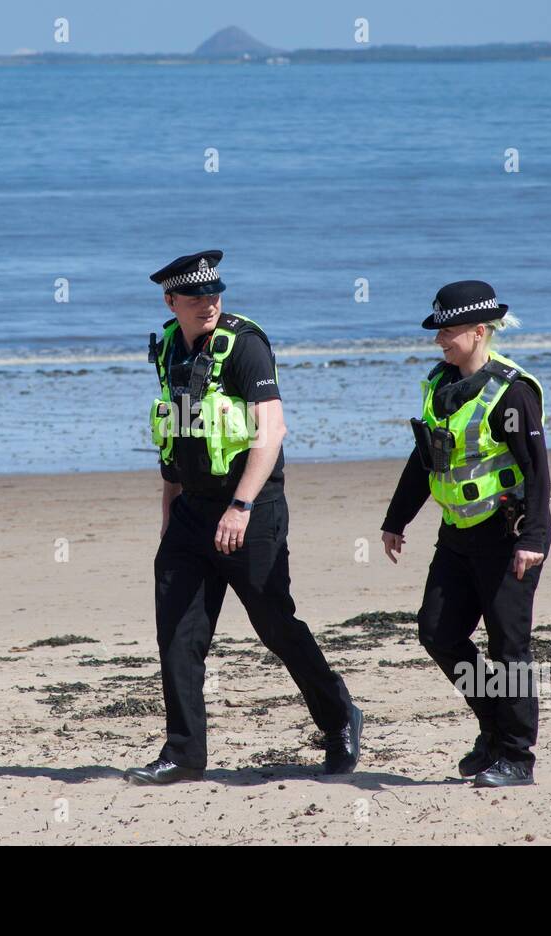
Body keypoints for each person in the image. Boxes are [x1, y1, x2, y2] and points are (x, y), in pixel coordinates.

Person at [125, 250, 361, 785]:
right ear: (171, 301)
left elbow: (271, 430)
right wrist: (169, 515)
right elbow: (177, 433)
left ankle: (339, 717)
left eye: (214, 294)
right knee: (178, 635)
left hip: (251, 510)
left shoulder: (246, 345)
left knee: (276, 626)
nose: (208, 303)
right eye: (195, 297)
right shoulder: (166, 347)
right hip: (190, 514)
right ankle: (183, 754)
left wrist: (241, 505)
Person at [380, 280, 551, 787]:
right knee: (438, 632)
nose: (440, 340)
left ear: (479, 332)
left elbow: (540, 475)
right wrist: (397, 519)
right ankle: (494, 726)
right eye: (438, 330)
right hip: (456, 534)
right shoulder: (439, 384)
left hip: (508, 537)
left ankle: (517, 756)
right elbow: (423, 459)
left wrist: (534, 539)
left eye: (449, 331)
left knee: (509, 648)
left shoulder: (513, 392)